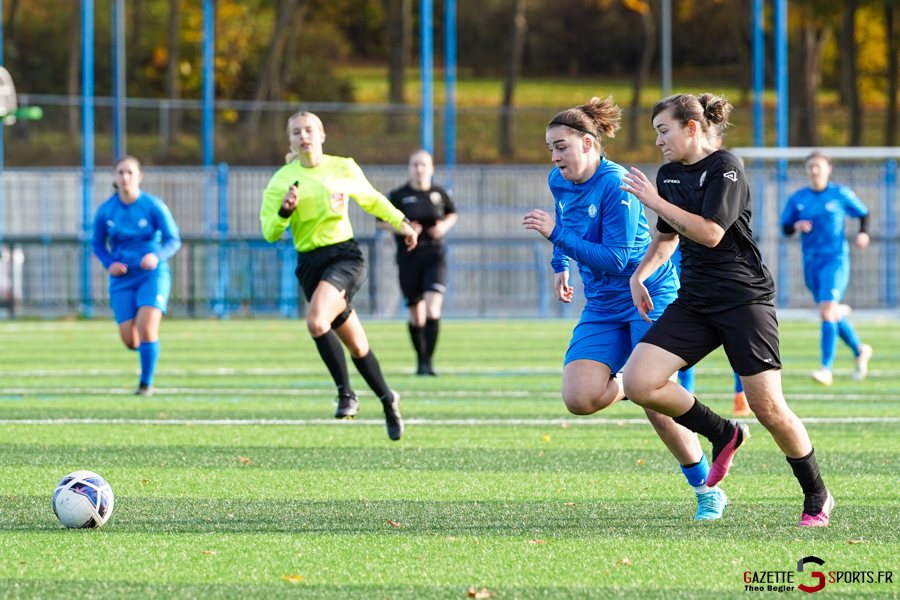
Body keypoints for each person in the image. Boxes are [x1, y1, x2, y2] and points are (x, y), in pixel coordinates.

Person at [621, 93, 833, 527]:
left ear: (692, 128)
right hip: (696, 301)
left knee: (769, 408)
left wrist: (654, 201)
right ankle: (723, 433)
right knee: (640, 382)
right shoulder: (668, 176)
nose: (659, 141)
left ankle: (817, 493)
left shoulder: (726, 167)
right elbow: (667, 239)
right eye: (656, 133)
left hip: (744, 300)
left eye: (665, 131)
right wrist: (640, 275)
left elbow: (712, 233)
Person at [522, 96, 728, 520]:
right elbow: (569, 224)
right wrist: (560, 264)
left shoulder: (617, 186)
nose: (555, 156)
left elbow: (617, 259)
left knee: (656, 405)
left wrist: (556, 237)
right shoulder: (558, 181)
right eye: (550, 148)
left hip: (648, 298)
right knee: (578, 398)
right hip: (600, 305)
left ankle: (707, 492)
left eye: (561, 146)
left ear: (588, 143)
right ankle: (633, 382)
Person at [260, 111, 419, 441]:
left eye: (309, 130)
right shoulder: (282, 180)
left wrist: (400, 221)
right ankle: (389, 400)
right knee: (358, 346)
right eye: (296, 132)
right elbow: (270, 232)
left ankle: (346, 393)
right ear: (289, 140)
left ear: (321, 135)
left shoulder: (342, 166)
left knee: (316, 321)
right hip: (310, 265)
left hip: (344, 256)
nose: (303, 136)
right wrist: (284, 212)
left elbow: (372, 199)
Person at [91, 156, 181, 396]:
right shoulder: (107, 210)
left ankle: (145, 383)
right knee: (130, 340)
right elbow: (97, 243)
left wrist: (157, 256)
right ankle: (149, 350)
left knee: (146, 327)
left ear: (139, 176)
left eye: (130, 172)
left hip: (152, 275)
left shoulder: (153, 205)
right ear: (114, 177)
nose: (125, 177)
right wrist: (110, 263)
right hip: (122, 279)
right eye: (120, 172)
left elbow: (174, 239)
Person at [781, 152, 873, 386]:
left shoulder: (840, 194)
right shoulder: (798, 198)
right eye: (811, 166)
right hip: (811, 261)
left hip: (835, 259)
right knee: (830, 312)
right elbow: (786, 227)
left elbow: (863, 213)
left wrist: (863, 233)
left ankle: (826, 369)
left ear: (828, 169)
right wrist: (796, 225)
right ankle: (859, 349)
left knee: (826, 310)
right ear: (806, 170)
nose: (814, 171)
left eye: (818, 167)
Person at [377, 150, 458, 375]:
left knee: (433, 309)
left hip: (435, 256)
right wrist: (403, 229)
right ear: (409, 168)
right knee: (416, 314)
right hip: (408, 258)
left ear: (431, 168)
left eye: (424, 165)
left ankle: (428, 363)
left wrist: (443, 227)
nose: (419, 169)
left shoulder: (439, 193)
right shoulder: (398, 195)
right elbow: (380, 221)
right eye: (415, 165)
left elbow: (452, 214)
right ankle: (420, 359)